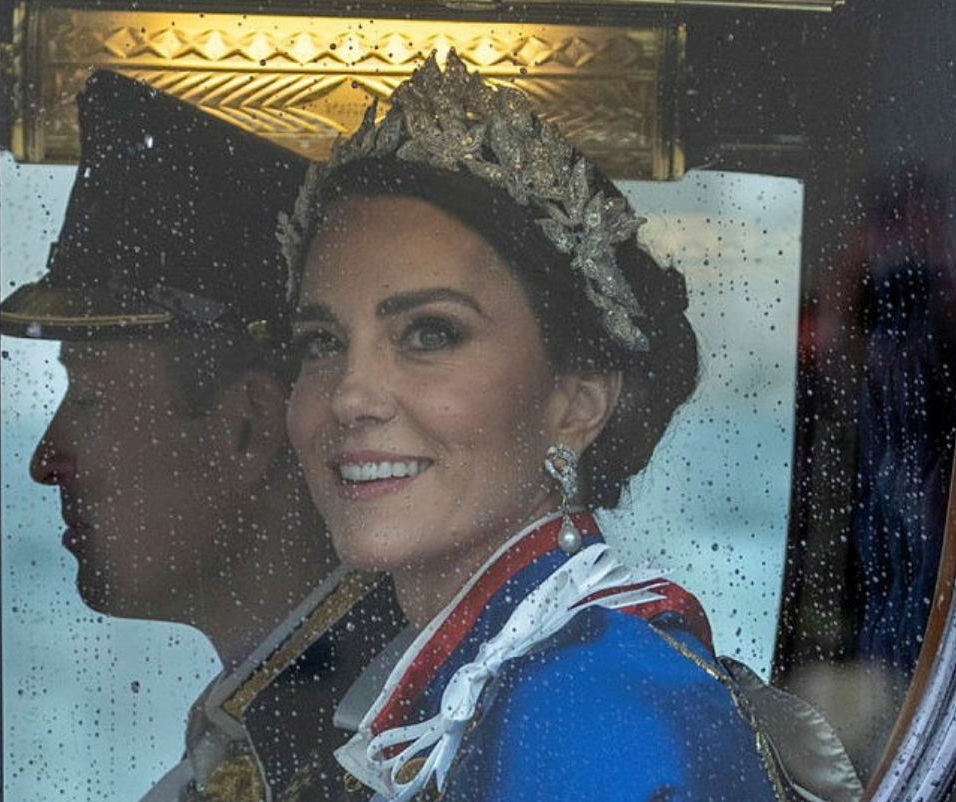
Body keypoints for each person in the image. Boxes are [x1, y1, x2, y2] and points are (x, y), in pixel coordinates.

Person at [277, 52, 859, 802]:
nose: (351, 394)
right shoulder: (520, 678)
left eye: (430, 334)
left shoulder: (582, 707)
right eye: (320, 343)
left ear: (578, 403)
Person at [0, 69, 403, 802]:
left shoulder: (380, 756)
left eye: (88, 398)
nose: (46, 460)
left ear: (247, 426)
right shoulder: (305, 730)